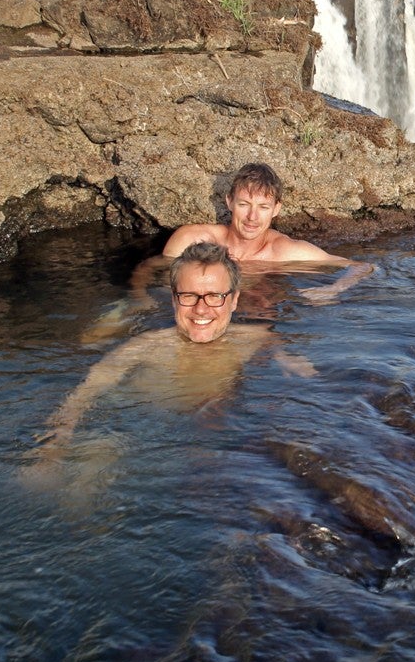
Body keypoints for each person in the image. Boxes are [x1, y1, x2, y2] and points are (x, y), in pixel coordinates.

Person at [24, 242, 306, 489]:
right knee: (91, 470)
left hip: (214, 446)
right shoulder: (144, 349)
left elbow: (274, 341)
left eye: (214, 296)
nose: (201, 309)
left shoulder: (255, 339)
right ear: (173, 299)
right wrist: (50, 451)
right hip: (135, 435)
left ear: (233, 300)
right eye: (189, 296)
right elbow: (82, 395)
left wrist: (284, 356)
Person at [149, 162, 372, 303]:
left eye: (263, 207)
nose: (252, 217)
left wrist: (333, 290)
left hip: (258, 314)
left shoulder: (284, 251)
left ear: (276, 209)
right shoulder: (192, 240)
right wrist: (142, 298)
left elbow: (362, 267)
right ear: (229, 202)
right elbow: (151, 273)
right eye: (244, 204)